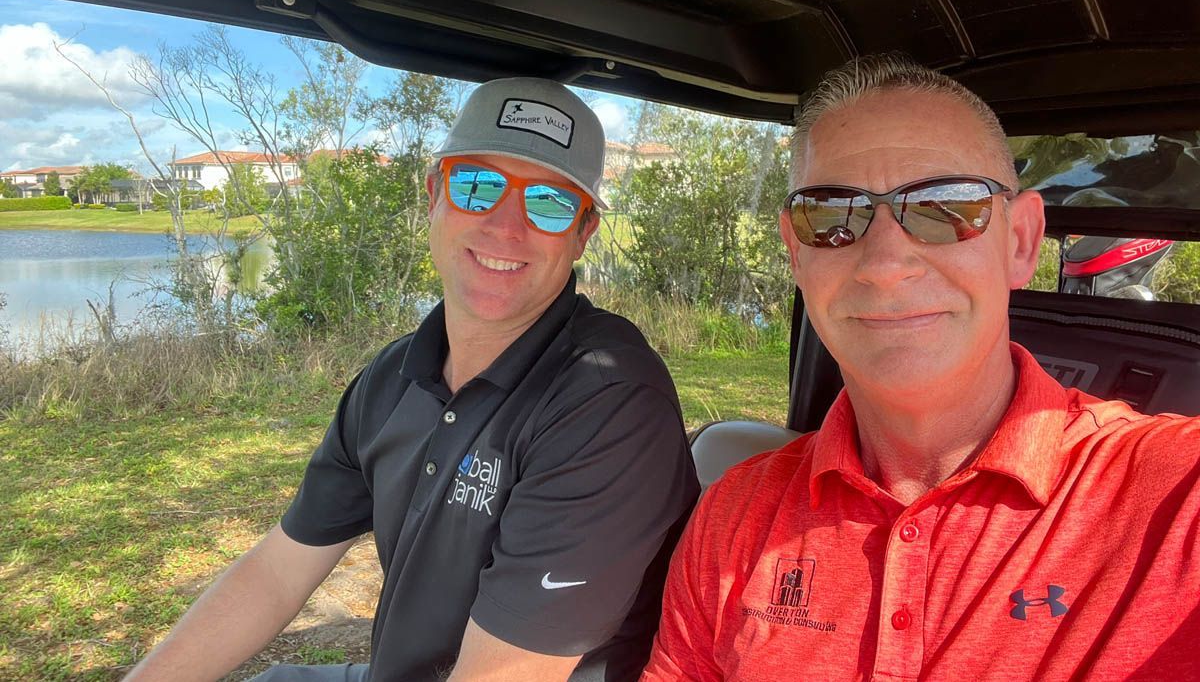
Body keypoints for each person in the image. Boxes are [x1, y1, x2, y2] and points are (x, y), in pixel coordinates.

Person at [642, 54, 1200, 681]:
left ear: (1020, 242)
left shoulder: (1174, 496)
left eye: (945, 206)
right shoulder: (734, 515)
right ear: (797, 253)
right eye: (831, 215)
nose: (885, 262)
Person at [127, 77, 699, 682]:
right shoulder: (392, 378)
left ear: (582, 235)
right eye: (477, 185)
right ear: (434, 195)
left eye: (550, 203)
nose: (507, 227)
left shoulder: (607, 401)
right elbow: (277, 571)